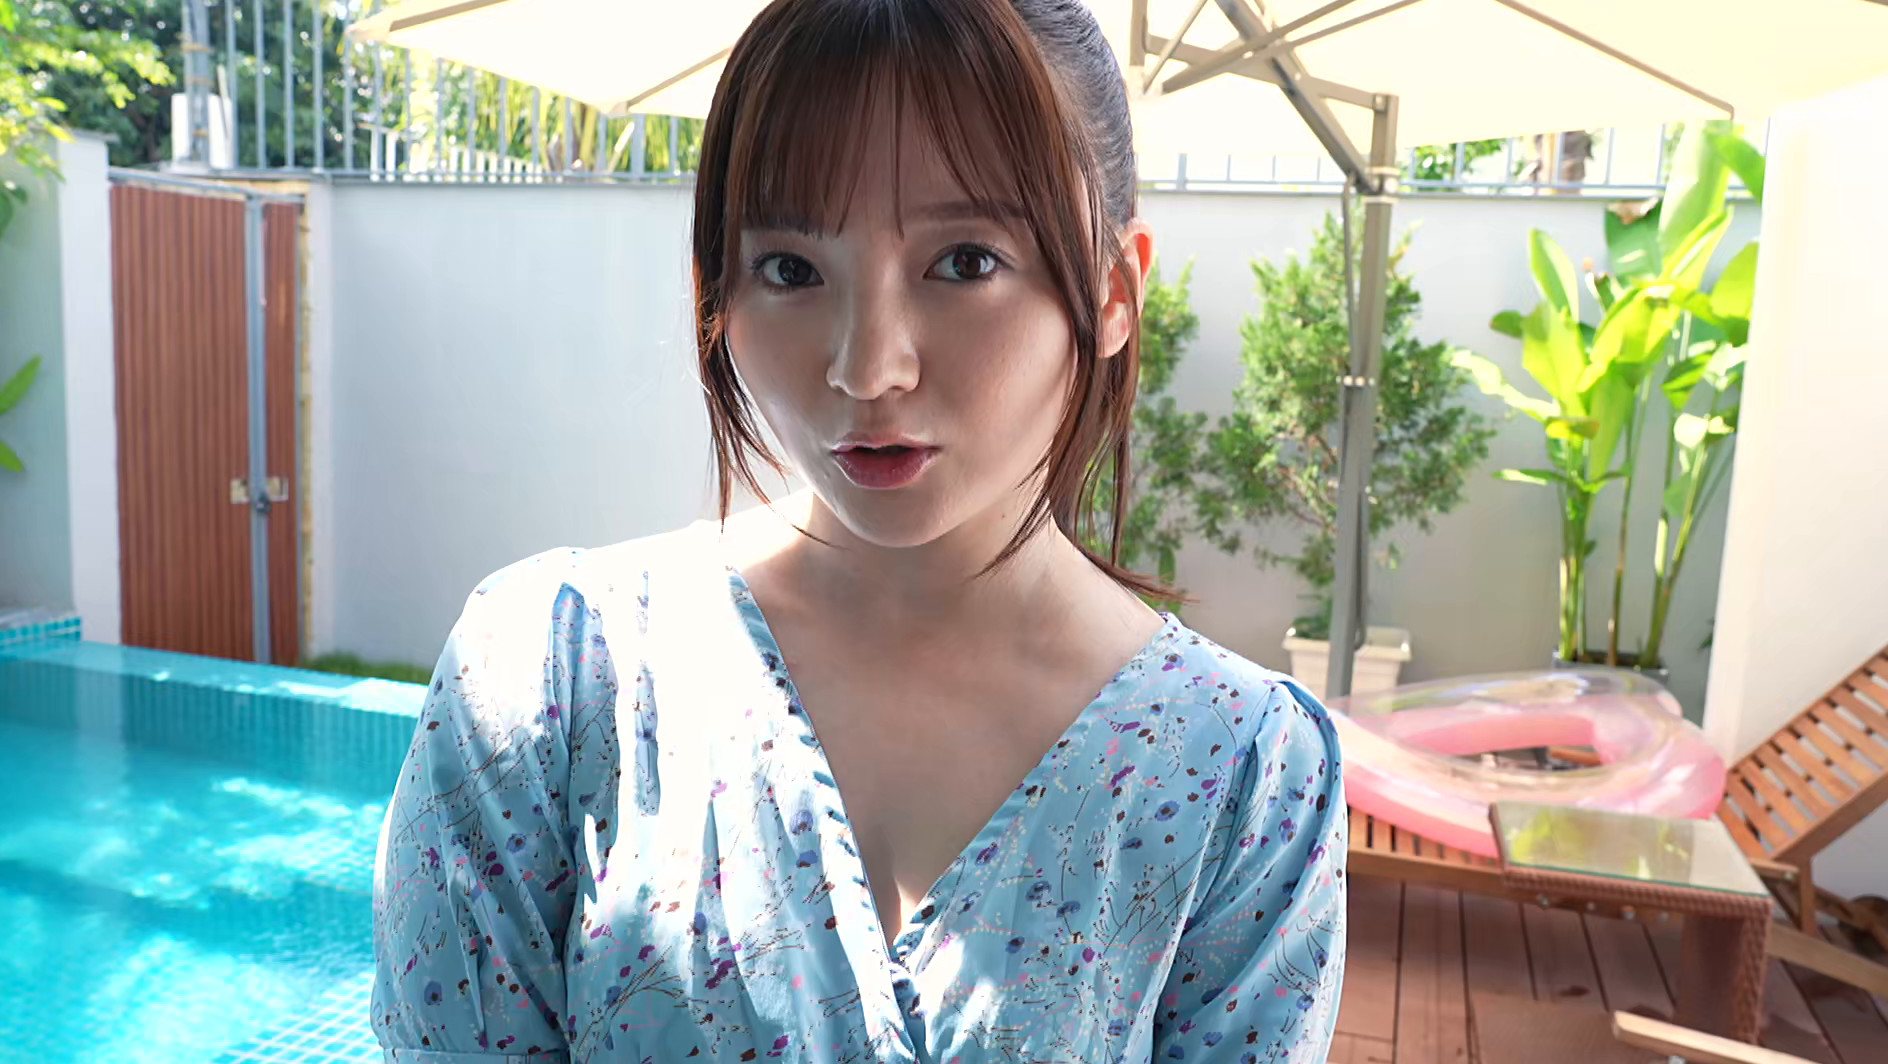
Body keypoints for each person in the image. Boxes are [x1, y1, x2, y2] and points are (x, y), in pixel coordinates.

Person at [369, 0, 1346, 1059]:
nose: (866, 366)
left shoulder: (1242, 775)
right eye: (791, 269)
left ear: (1113, 294)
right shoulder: (558, 680)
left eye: (965, 261)